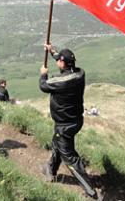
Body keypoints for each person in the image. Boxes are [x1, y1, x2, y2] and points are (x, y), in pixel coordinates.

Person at [39, 45, 97, 199]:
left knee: (70, 157)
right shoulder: (80, 73)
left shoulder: (60, 81)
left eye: (59, 60)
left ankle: (90, 191)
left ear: (63, 63)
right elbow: (63, 60)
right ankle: (50, 169)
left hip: (64, 125)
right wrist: (53, 52)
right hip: (76, 120)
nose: (57, 61)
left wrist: (43, 75)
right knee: (58, 143)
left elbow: (43, 86)